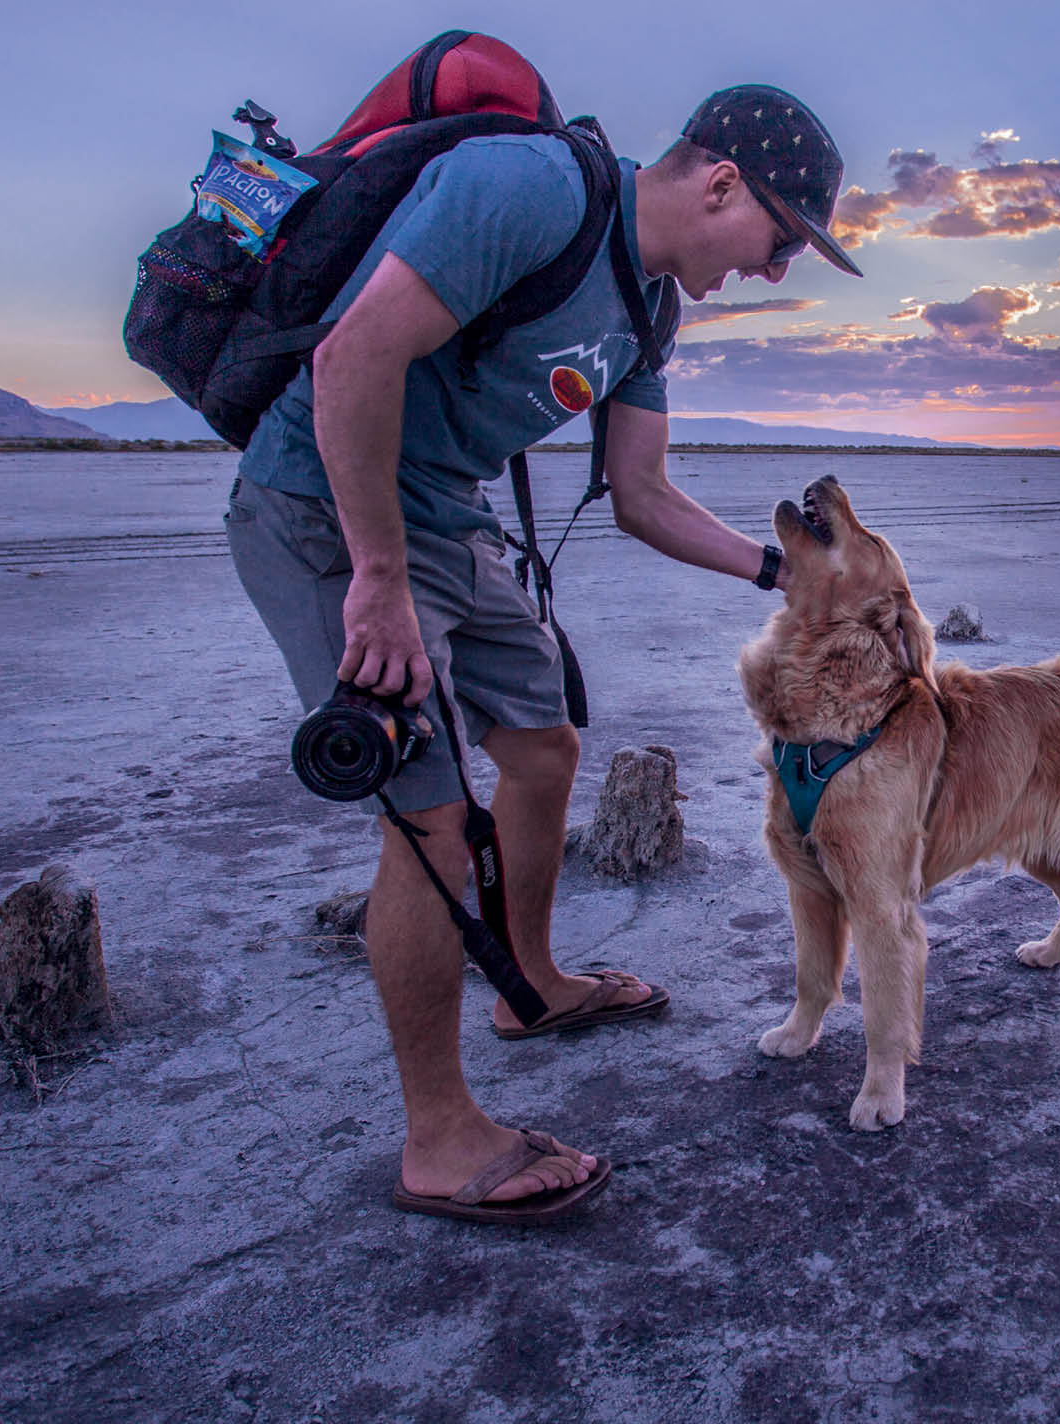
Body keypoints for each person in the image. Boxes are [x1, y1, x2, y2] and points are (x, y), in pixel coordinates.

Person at [224, 85, 863, 1224]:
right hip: (328, 506)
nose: (775, 272)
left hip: (446, 517)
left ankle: (530, 984)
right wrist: (375, 579)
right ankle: (440, 1135)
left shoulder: (650, 310)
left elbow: (643, 494)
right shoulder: (529, 191)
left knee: (544, 743)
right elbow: (355, 359)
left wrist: (784, 575)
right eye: (780, 239)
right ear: (721, 184)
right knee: (426, 820)